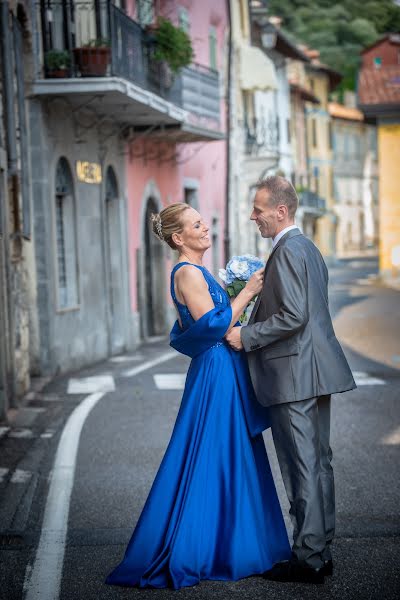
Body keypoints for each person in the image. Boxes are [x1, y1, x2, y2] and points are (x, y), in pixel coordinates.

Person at [105, 202, 291, 590]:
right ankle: (209, 547)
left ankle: (233, 543)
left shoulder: (199, 271)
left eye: (203, 222)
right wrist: (249, 291)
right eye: (197, 224)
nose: (206, 228)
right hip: (216, 372)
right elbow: (218, 326)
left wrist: (242, 299)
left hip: (223, 369)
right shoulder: (188, 272)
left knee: (229, 452)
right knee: (215, 454)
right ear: (178, 238)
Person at [226, 176, 356, 585]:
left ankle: (309, 559)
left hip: (294, 375)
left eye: (258, 209)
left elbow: (294, 315)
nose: (253, 216)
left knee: (303, 468)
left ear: (280, 211)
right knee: (318, 465)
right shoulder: (309, 249)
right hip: (314, 371)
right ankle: (320, 549)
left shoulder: (285, 251)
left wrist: (246, 335)